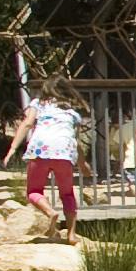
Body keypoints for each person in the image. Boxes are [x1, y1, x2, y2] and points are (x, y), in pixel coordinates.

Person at [19, 85, 85, 229]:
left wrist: (12, 148)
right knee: (67, 194)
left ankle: (50, 212)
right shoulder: (72, 113)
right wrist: (83, 164)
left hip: (40, 150)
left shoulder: (38, 103)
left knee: (34, 191)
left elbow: (28, 123)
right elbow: (75, 141)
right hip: (64, 151)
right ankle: (71, 234)